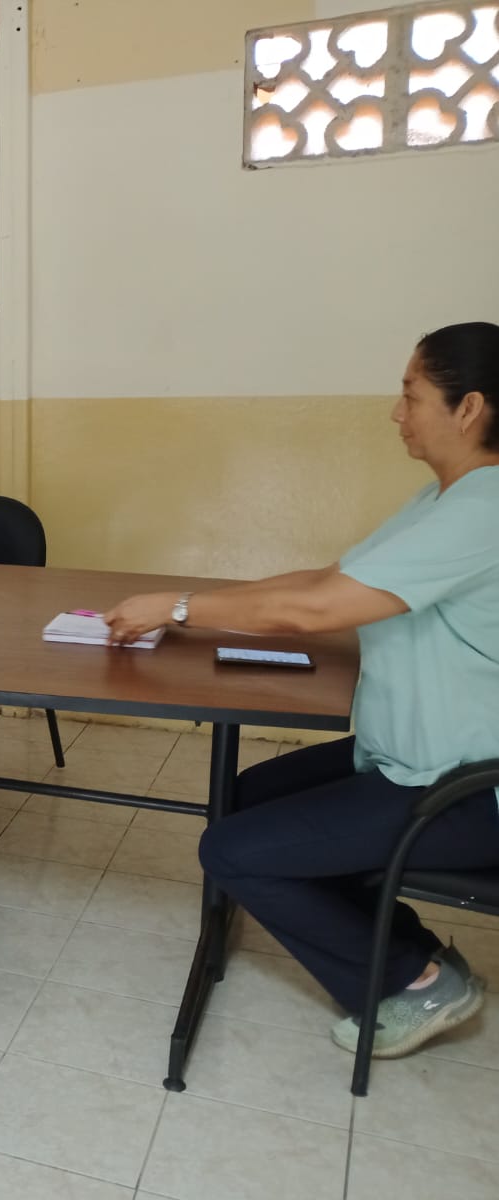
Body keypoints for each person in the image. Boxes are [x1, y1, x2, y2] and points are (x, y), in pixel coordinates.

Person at [105, 321, 499, 1060]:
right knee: (245, 797)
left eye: (411, 395)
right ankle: (408, 950)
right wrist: (186, 602)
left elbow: (316, 610)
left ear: (469, 408)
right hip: (408, 756)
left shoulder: (484, 510)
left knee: (229, 848)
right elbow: (327, 580)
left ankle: (412, 981)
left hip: (466, 788)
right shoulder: (441, 499)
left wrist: (180, 609)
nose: (397, 412)